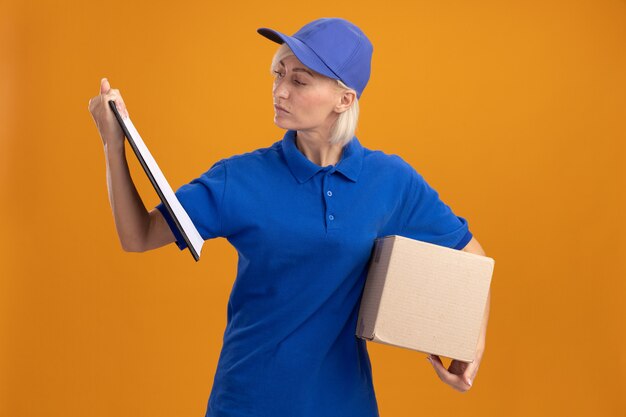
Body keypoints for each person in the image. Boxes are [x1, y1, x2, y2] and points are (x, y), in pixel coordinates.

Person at [88, 17, 490, 417]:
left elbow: (471, 256)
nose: (280, 91)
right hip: (246, 403)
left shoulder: (390, 181)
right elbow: (137, 235)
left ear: (344, 99)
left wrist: (470, 346)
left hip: (344, 405)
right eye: (279, 74)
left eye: (299, 81)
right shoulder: (239, 178)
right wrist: (112, 145)